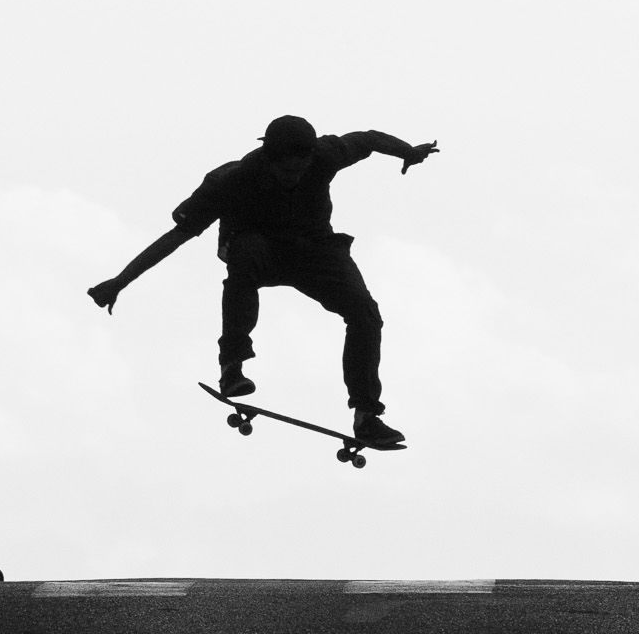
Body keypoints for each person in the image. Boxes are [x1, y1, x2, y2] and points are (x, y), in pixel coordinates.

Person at [88, 115, 437, 450]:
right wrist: (121, 281)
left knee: (365, 314)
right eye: (286, 170)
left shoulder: (325, 155)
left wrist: (408, 151)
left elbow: (370, 139)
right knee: (245, 255)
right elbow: (177, 236)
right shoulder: (231, 181)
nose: (294, 178)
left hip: (313, 250)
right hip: (262, 251)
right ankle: (232, 366)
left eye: (301, 170)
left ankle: (367, 417)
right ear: (268, 160)